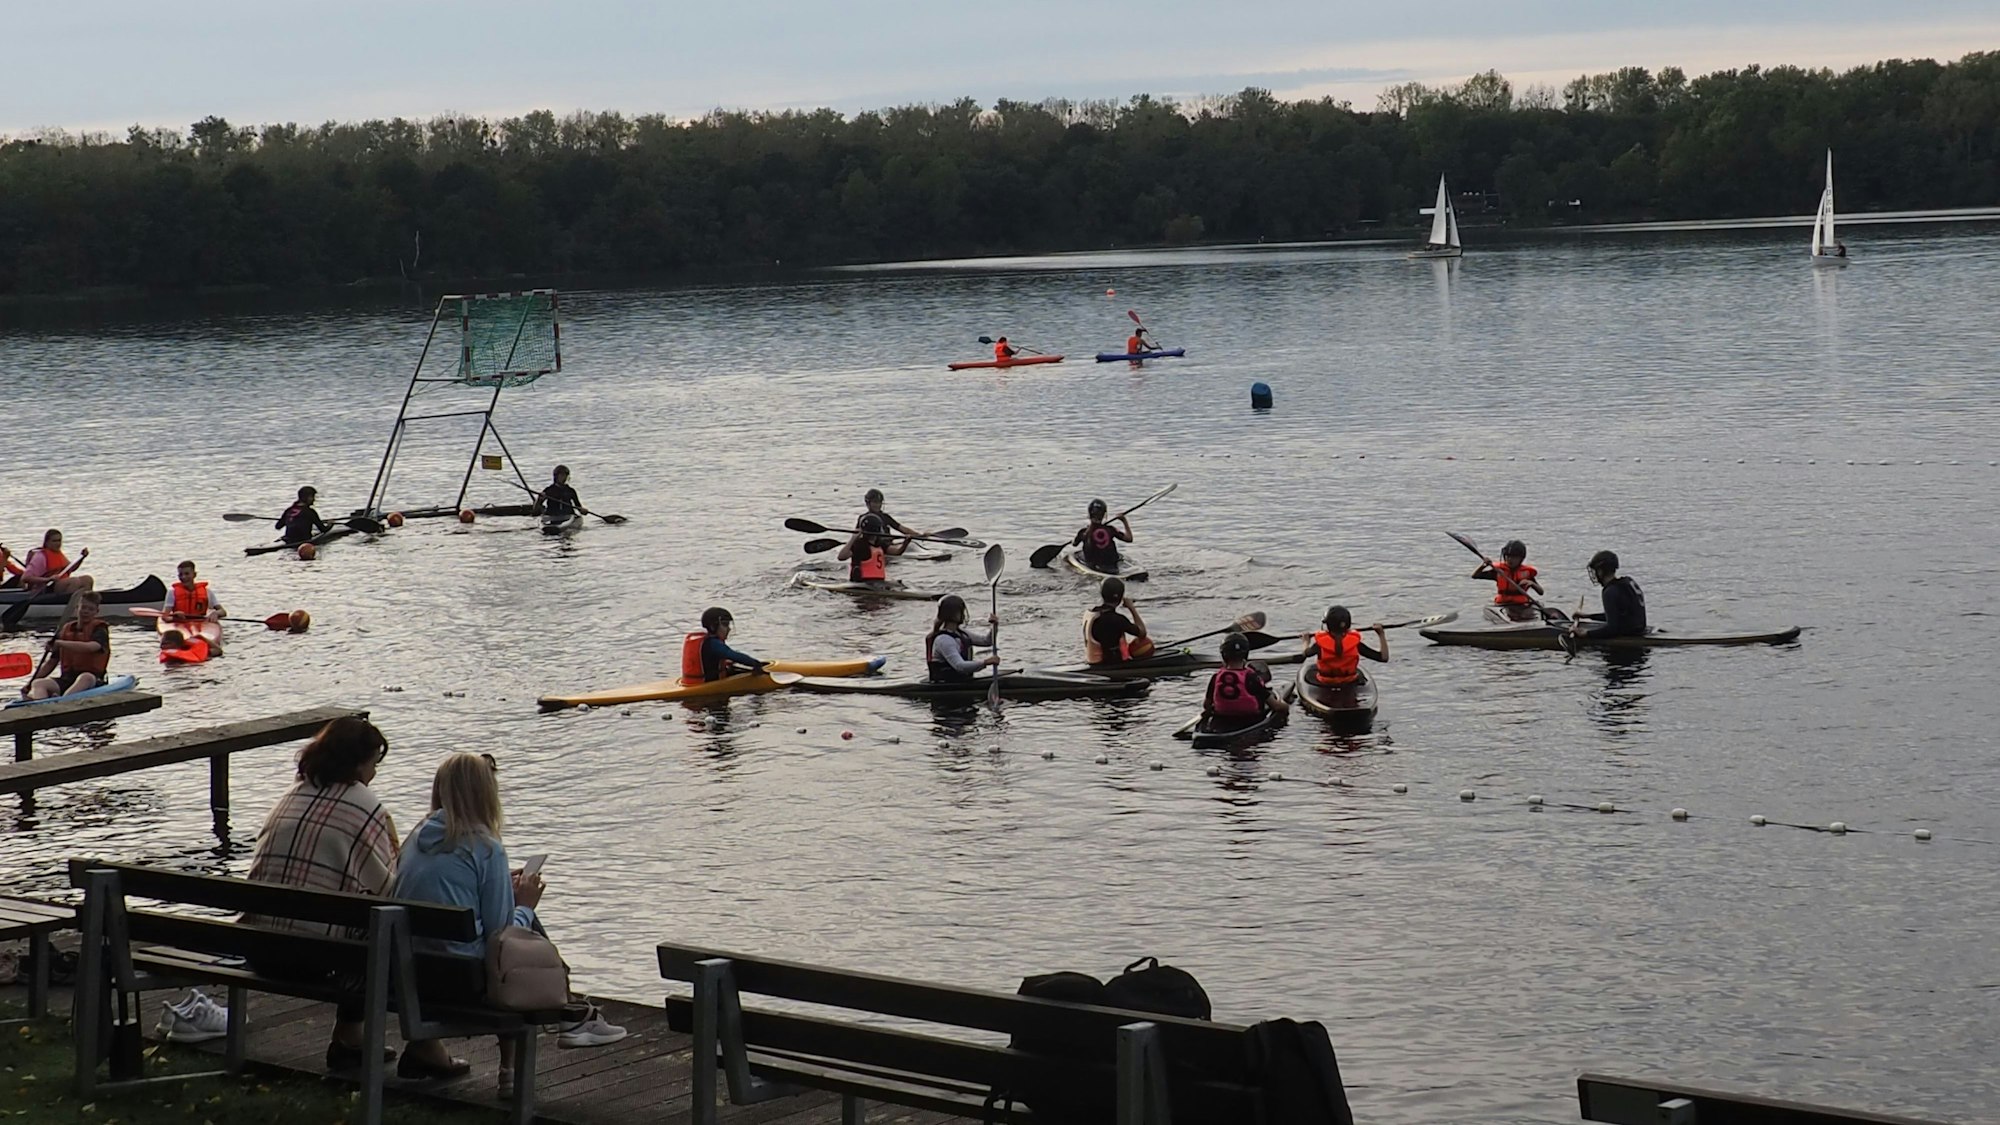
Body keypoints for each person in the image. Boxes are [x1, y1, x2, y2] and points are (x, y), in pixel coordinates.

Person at [393, 753, 627, 1086]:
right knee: (525, 929)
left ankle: (574, 1016)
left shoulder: (416, 838)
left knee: (518, 920)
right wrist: (526, 904)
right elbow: (502, 936)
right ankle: (567, 1020)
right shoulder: (485, 847)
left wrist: (500, 883)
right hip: (461, 979)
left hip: (409, 971)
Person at [237, 717, 400, 1068]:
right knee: (381, 927)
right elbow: (389, 890)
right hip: (308, 958)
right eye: (374, 764)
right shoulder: (364, 804)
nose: (374, 774)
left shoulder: (291, 795)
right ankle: (350, 1036)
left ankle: (350, 1039)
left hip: (257, 946)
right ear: (358, 762)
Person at [23, 590, 109, 699]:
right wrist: (30, 683)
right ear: (77, 608)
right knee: (39, 683)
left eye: (90, 609)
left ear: (96, 612)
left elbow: (92, 647)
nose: (86, 611)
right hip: (67, 680)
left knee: (85, 677)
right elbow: (52, 662)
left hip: (93, 679)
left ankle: (63, 701)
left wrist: (60, 643)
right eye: (83, 607)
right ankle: (40, 704)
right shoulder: (66, 630)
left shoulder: (99, 629)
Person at [1203, 632, 1288, 725]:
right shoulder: (1251, 677)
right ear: (1245, 654)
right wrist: (1285, 705)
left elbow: (1206, 705)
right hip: (1250, 719)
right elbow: (1276, 706)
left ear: (1224, 655)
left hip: (1222, 718)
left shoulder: (1216, 677)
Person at [1568, 550, 1647, 646]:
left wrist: (1586, 634)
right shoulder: (1627, 582)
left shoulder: (1610, 592)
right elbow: (1618, 616)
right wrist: (1588, 616)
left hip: (1628, 638)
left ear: (1601, 571)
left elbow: (1612, 629)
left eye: (1596, 571)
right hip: (1639, 631)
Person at [1303, 605, 1387, 688]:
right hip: (1350, 681)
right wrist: (1381, 634)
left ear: (1328, 625)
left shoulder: (1319, 645)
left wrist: (1306, 641)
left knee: (1309, 673)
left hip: (1325, 682)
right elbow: (1383, 658)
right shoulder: (1355, 644)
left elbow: (1306, 653)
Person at [681, 607, 769, 684]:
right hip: (708, 683)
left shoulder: (706, 641)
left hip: (694, 682)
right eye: (725, 624)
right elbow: (733, 654)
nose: (729, 628)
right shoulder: (714, 644)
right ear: (713, 626)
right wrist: (755, 663)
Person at [926, 594, 999, 682]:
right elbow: (960, 666)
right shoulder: (943, 640)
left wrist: (994, 626)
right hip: (946, 684)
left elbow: (987, 641)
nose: (964, 614)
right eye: (961, 611)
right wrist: (985, 662)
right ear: (952, 614)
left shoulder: (961, 633)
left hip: (962, 680)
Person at [1083, 577, 1152, 665]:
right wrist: (1132, 608)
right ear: (1120, 597)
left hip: (1092, 661)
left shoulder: (1091, 613)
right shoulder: (1116, 620)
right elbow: (1142, 633)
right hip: (1110, 665)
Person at [1472, 540, 1542, 616]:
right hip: (1503, 605)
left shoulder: (1526, 574)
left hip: (1522, 605)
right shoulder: (1499, 571)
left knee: (1528, 614)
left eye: (1514, 557)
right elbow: (1475, 576)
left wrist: (1532, 583)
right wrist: (1483, 566)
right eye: (1507, 556)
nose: (1510, 559)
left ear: (1521, 559)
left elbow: (1541, 592)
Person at [12, 529, 92, 596]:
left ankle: (85, 603)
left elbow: (71, 569)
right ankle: (67, 606)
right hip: (45, 588)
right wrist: (48, 579)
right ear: (47, 542)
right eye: (54, 541)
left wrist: (81, 558)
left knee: (87, 579)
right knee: (74, 581)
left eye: (59, 540)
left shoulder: (58, 554)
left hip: (60, 584)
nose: (58, 543)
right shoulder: (40, 557)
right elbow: (25, 578)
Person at [1072, 499, 1133, 574]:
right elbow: (1129, 539)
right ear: (1104, 514)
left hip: (1092, 565)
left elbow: (1074, 544)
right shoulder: (1111, 529)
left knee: (1079, 555)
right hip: (1111, 565)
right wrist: (1124, 521)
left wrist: (1075, 540)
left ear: (1089, 513)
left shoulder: (1083, 532)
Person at [858, 488, 923, 556]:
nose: (878, 505)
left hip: (886, 544)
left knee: (911, 545)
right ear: (868, 503)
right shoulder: (863, 518)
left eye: (879, 502)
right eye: (875, 502)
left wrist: (919, 535)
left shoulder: (885, 517)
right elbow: (857, 535)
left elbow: (901, 528)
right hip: (876, 545)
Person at [838, 514, 891, 584]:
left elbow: (897, 552)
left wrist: (906, 542)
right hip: (862, 582)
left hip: (879, 582)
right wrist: (853, 539)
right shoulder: (860, 545)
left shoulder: (879, 544)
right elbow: (841, 557)